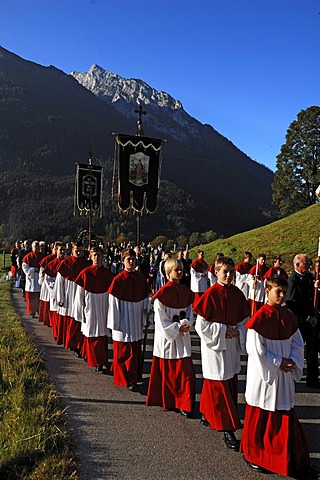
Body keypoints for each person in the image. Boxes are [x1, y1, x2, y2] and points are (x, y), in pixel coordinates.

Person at [241, 275, 319, 479]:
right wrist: (278, 362)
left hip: (283, 376)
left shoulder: (289, 316)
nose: (282, 295)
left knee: (285, 416)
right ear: (267, 291)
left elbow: (297, 343)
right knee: (261, 417)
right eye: (278, 291)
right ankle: (255, 455)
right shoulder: (259, 319)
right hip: (265, 378)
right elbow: (256, 351)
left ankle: (295, 461)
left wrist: (292, 359)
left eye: (284, 291)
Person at [194, 256, 250, 451]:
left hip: (232, 345)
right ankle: (228, 428)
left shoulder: (237, 293)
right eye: (224, 271)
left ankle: (206, 413)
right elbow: (201, 326)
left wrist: (239, 331)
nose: (228, 275)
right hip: (215, 348)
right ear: (216, 272)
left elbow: (244, 320)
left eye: (231, 272)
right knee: (219, 385)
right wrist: (222, 330)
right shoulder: (210, 294)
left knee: (227, 383)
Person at [146, 258, 195, 417]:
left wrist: (187, 323)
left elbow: (190, 311)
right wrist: (176, 327)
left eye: (181, 269)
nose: (179, 272)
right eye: (176, 270)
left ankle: (183, 402)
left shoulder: (186, 292)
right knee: (169, 372)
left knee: (183, 372)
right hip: (168, 339)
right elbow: (160, 319)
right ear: (168, 273)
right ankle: (170, 400)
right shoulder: (162, 294)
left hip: (182, 336)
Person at [107, 248, 149, 390]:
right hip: (123, 320)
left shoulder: (140, 279)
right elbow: (113, 304)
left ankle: (133, 377)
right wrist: (115, 324)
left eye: (133, 259)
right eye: (128, 259)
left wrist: (146, 318)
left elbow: (145, 300)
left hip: (136, 319)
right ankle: (124, 378)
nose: (131, 262)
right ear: (123, 261)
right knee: (124, 351)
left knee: (134, 350)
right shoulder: (118, 280)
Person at [73, 247, 114, 372]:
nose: (97, 258)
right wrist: (79, 311)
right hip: (89, 306)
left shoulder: (107, 274)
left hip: (103, 306)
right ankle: (95, 361)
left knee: (102, 334)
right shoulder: (85, 273)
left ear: (103, 257)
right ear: (91, 257)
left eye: (99, 255)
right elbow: (79, 295)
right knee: (91, 333)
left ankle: (102, 360)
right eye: (95, 255)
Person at [285, 254, 320, 388]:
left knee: (312, 349)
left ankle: (313, 378)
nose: (308, 267)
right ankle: (292, 374)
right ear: (297, 265)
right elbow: (291, 303)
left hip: (312, 319)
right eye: (306, 264)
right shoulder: (293, 280)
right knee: (297, 349)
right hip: (300, 321)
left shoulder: (309, 277)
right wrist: (306, 317)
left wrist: (316, 285)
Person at [54, 241, 90, 354]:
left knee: (80, 320)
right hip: (69, 294)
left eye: (80, 250)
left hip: (82, 294)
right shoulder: (66, 263)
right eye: (76, 251)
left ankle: (80, 345)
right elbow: (60, 282)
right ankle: (72, 344)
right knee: (71, 321)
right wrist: (60, 298)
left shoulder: (86, 263)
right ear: (72, 251)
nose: (78, 253)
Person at [22, 240, 45, 317]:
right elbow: (24, 267)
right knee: (31, 297)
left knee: (39, 297)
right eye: (35, 246)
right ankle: (32, 311)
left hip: (40, 279)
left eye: (38, 246)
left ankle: (39, 311)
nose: (37, 248)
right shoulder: (28, 257)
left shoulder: (42, 256)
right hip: (31, 280)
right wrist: (33, 270)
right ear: (32, 247)